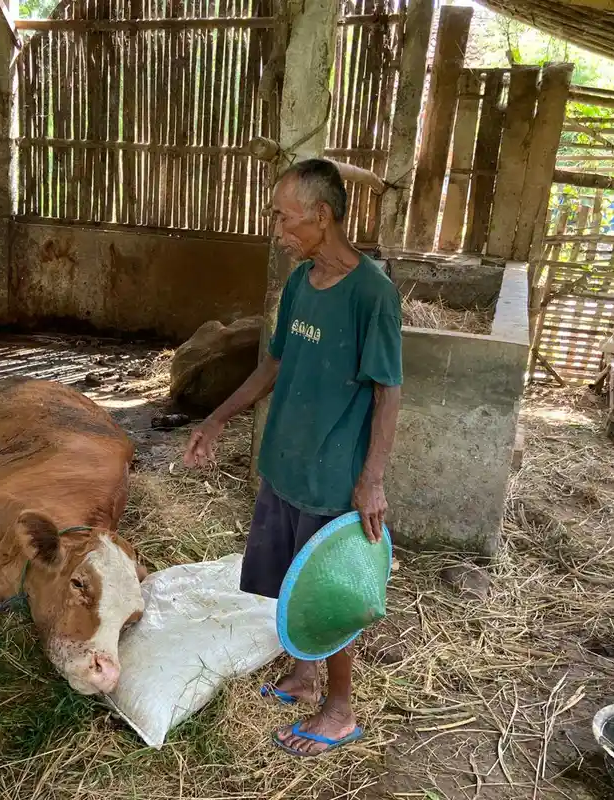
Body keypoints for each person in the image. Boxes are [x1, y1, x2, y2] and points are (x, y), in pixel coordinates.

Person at [183, 157, 402, 757]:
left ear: (322, 215)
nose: (276, 228)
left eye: (284, 216)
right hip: (286, 462)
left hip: (332, 475)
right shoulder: (303, 284)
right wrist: (218, 417)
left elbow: (389, 391)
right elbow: (274, 364)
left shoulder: (372, 296)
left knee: (329, 591)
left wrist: (373, 481)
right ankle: (304, 679)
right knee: (288, 577)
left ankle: (340, 710)